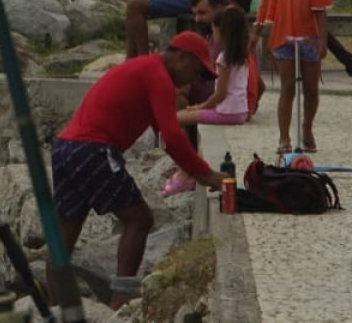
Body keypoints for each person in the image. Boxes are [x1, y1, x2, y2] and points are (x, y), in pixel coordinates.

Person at [47, 33, 225, 310]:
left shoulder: (146, 70)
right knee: (139, 219)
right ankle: (122, 299)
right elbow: (173, 136)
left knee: (65, 232)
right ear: (181, 58)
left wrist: (193, 171)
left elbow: (164, 137)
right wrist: (208, 175)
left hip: (66, 147)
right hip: (93, 150)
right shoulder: (159, 77)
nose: (194, 80)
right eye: (196, 71)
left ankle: (53, 306)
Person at [256, 0, 331, 154]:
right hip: (282, 38)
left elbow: (320, 13)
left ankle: (307, 128)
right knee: (287, 86)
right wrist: (256, 34)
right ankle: (284, 136)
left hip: (309, 38)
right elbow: (267, 9)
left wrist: (322, 42)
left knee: (310, 88)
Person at [163, 5, 254, 194]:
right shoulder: (243, 55)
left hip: (226, 112)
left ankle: (186, 172)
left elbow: (219, 94)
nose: (213, 35)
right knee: (187, 116)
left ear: (222, 32)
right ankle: (187, 166)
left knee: (175, 120)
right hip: (239, 112)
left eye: (214, 30)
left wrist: (199, 107)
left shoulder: (223, 58)